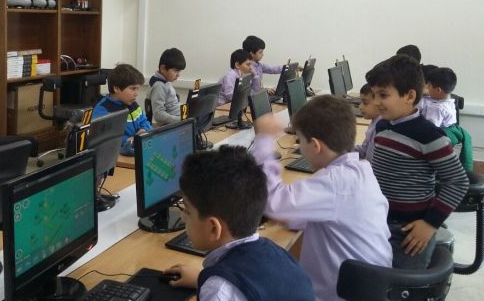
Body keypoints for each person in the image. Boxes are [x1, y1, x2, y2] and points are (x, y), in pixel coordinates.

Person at [250, 97, 391, 301]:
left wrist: (263, 140)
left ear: (315, 146)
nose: (300, 147)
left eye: (300, 141)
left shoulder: (335, 182)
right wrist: (293, 214)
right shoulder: (361, 169)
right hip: (371, 285)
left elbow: (273, 203)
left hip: (344, 294)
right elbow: (333, 214)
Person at [164, 145, 314, 301]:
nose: (182, 217)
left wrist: (215, 286)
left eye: (187, 211)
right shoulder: (275, 252)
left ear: (213, 228)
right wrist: (203, 279)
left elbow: (224, 292)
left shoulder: (218, 291)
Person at [366, 55, 468, 269]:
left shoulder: (429, 136)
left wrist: (430, 224)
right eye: (374, 95)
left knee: (399, 283)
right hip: (380, 222)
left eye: (383, 95)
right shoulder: (383, 127)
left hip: (410, 231)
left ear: (410, 96)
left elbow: (458, 181)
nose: (376, 102)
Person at [92, 64, 152, 156]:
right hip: (115, 156)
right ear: (116, 88)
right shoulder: (103, 110)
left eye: (137, 89)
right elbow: (104, 140)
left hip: (135, 149)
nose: (136, 93)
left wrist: (143, 130)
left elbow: (145, 121)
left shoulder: (133, 104)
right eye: (133, 88)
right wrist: (127, 140)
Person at [147, 48, 186, 127]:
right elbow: (158, 114)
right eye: (176, 71)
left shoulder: (166, 81)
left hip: (179, 115)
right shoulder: (159, 86)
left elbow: (172, 104)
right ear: (163, 69)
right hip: (174, 121)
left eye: (179, 71)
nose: (178, 75)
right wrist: (179, 119)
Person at [355, 83, 381, 161]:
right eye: (360, 102)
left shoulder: (378, 128)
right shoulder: (375, 122)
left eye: (365, 103)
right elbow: (364, 149)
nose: (360, 107)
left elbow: (369, 160)